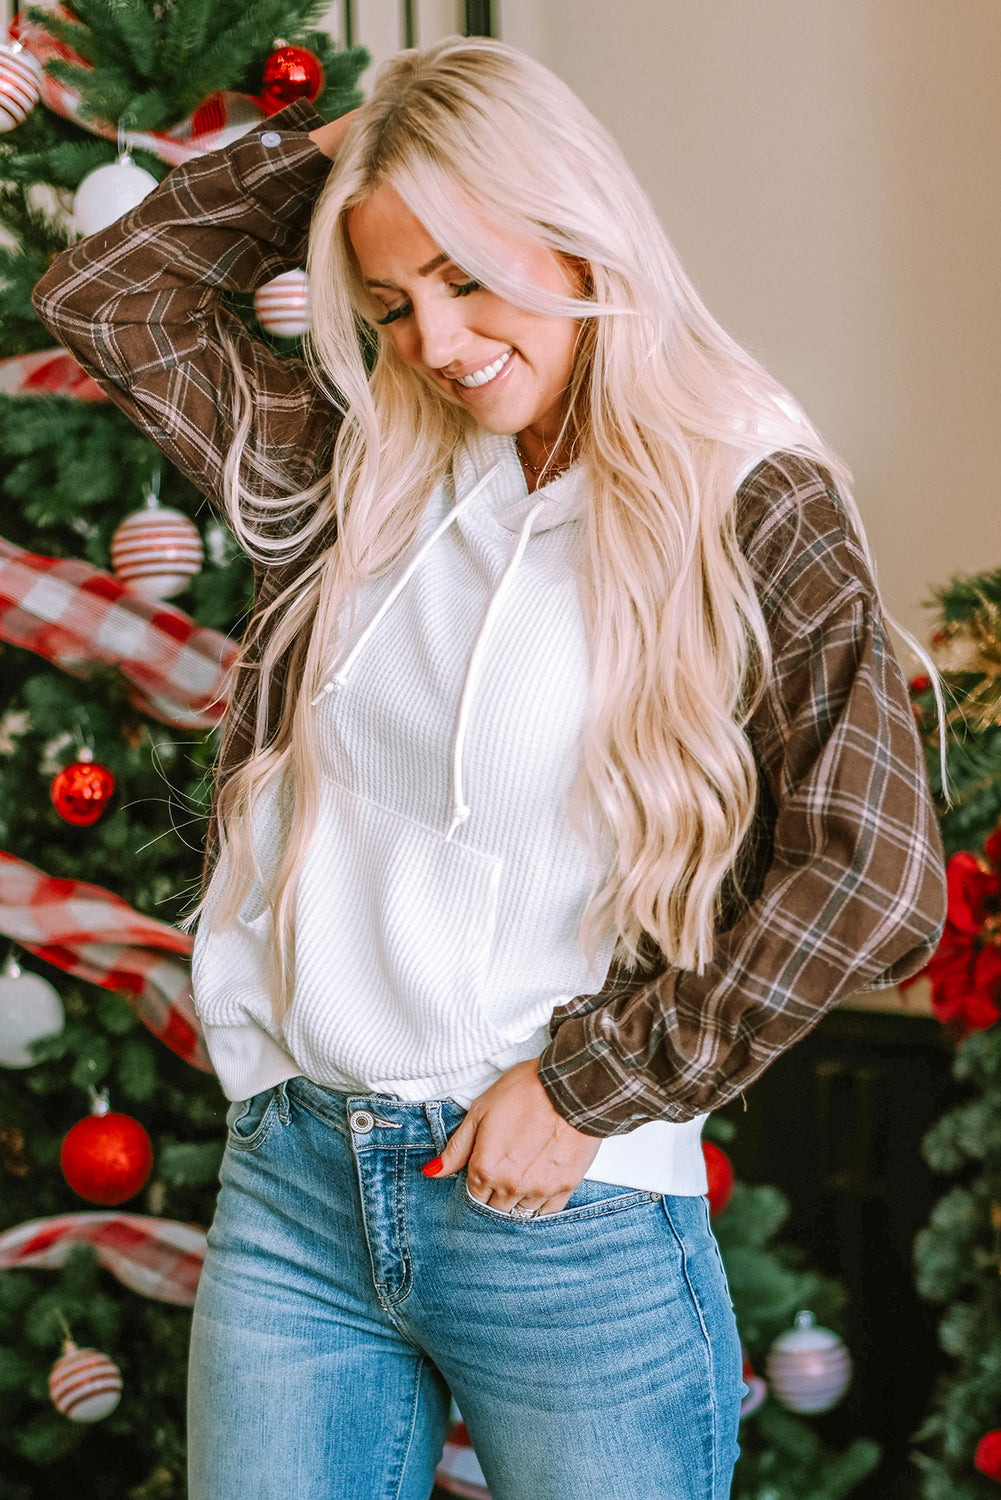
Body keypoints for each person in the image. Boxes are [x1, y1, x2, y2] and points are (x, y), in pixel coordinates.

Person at [33, 35, 946, 1500]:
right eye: (390, 305)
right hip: (297, 1194)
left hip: (561, 1215)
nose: (435, 344)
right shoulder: (365, 473)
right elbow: (106, 296)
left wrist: (591, 1086)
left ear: (574, 225)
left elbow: (878, 875)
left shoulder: (747, 496)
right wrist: (345, 145)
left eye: (466, 278)